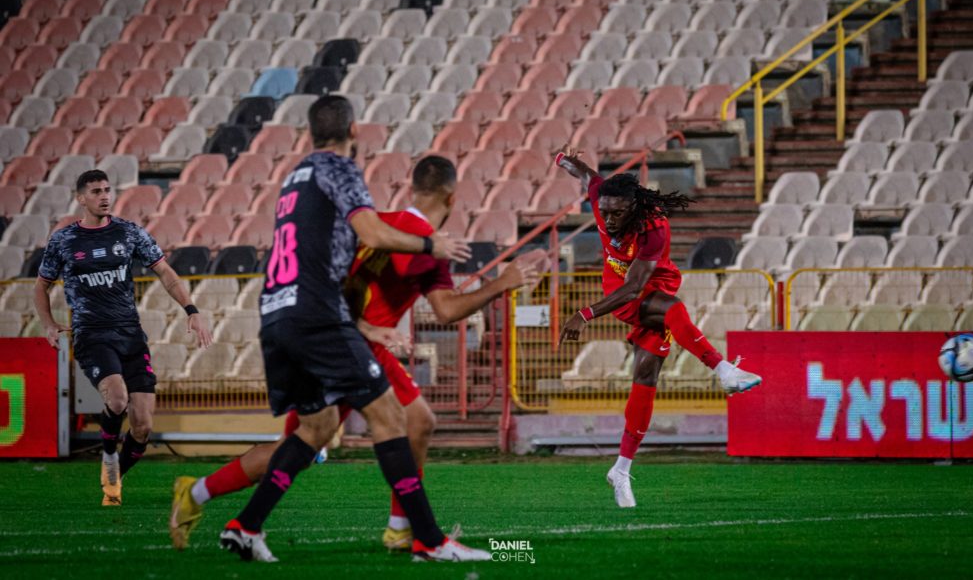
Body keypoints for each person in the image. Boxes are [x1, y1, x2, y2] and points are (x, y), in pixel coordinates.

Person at [170, 155, 538, 554]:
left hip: (334, 336)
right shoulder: (423, 240)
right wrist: (503, 282)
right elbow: (447, 310)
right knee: (408, 423)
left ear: (413, 188)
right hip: (352, 345)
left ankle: (206, 497)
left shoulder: (380, 224)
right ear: (452, 198)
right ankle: (415, 535)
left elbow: (338, 278)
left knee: (303, 444)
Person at [212, 95, 491, 563]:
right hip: (317, 314)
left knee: (315, 427)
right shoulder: (337, 168)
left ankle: (245, 525)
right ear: (354, 132)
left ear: (308, 132)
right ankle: (428, 540)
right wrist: (432, 244)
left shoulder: (292, 178)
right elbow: (372, 233)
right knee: (392, 418)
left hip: (276, 311)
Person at [554, 146, 762, 508]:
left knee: (646, 375)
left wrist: (584, 314)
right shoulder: (602, 198)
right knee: (674, 310)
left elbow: (637, 287)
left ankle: (620, 469)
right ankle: (723, 369)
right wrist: (563, 160)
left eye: (618, 213)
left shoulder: (654, 227)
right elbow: (587, 175)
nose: (610, 220)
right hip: (619, 293)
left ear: (633, 208)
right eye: (604, 213)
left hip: (648, 285)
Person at [34, 169, 213, 506]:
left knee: (143, 426)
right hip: (92, 334)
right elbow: (41, 284)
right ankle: (108, 455)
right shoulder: (65, 240)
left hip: (130, 334)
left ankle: (113, 480)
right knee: (117, 400)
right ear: (80, 198)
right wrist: (48, 323)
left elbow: (164, 272)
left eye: (107, 190)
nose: (104, 196)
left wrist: (192, 309)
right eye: (96, 191)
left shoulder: (129, 233)